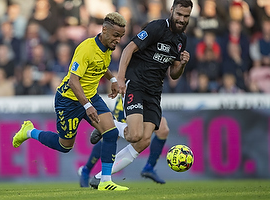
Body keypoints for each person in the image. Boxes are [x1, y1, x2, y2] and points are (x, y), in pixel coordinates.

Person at [12, 12, 129, 191]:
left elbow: (100, 66)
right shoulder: (86, 48)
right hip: (69, 99)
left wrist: (112, 79)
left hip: (90, 96)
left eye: (120, 36)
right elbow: (74, 81)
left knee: (111, 133)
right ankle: (29, 131)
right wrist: (87, 106)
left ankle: (105, 181)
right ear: (104, 30)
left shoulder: (107, 48)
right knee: (64, 146)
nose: (118, 40)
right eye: (115, 35)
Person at [89, 0, 192, 189]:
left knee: (143, 140)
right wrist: (120, 78)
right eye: (179, 14)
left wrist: (182, 64)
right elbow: (129, 48)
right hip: (136, 84)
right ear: (172, 11)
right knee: (135, 134)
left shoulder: (181, 40)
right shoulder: (156, 27)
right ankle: (106, 125)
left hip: (154, 93)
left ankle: (99, 177)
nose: (182, 19)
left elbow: (174, 74)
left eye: (186, 16)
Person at [78, 95, 169, 187]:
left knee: (163, 130)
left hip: (150, 98)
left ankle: (149, 167)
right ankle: (86, 170)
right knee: (112, 133)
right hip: (131, 96)